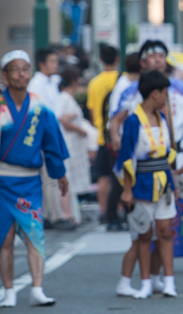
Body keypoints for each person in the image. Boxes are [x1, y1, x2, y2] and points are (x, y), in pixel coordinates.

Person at [0, 50, 70, 308]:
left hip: (29, 181)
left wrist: (59, 173)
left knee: (34, 234)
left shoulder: (40, 106)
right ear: (4, 75)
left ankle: (37, 288)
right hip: (1, 180)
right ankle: (8, 290)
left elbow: (52, 143)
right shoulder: (0, 104)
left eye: (25, 69)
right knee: (4, 238)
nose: (22, 74)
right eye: (15, 70)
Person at [115, 71, 183, 299]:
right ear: (155, 93)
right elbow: (126, 157)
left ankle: (169, 282)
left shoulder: (162, 118)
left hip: (164, 182)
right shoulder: (132, 120)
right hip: (142, 183)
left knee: (165, 232)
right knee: (144, 235)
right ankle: (146, 282)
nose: (166, 98)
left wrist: (176, 177)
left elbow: (168, 152)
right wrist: (127, 190)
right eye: (165, 94)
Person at [27, 48, 68, 231]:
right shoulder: (36, 84)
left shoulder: (52, 82)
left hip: (53, 132)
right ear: (42, 64)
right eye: (52, 61)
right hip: (42, 136)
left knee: (52, 177)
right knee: (49, 178)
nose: (56, 64)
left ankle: (54, 215)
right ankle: (53, 216)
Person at [103, 52, 140, 231]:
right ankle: (112, 218)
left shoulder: (128, 83)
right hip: (121, 138)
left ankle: (123, 215)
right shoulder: (125, 85)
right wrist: (115, 136)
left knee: (124, 178)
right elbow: (115, 115)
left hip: (126, 137)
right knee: (119, 179)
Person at [57, 68, 94, 226]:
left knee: (70, 179)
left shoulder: (66, 97)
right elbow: (61, 119)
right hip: (69, 144)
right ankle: (67, 214)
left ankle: (72, 214)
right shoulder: (64, 98)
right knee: (68, 179)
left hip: (73, 144)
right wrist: (81, 130)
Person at [87, 43, 119, 224]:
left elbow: (92, 115)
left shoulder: (94, 83)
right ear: (117, 59)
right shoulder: (121, 80)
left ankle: (103, 211)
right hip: (118, 138)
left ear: (100, 60)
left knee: (103, 178)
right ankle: (119, 211)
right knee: (120, 177)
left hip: (102, 137)